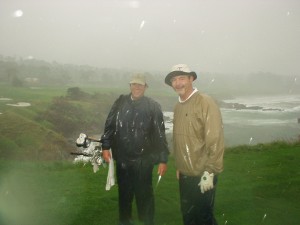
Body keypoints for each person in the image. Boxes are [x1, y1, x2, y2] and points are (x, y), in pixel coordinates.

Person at [100, 73, 169, 225]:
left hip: (144, 161)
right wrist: (105, 146)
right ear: (130, 86)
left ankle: (147, 222)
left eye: (140, 85)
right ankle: (125, 222)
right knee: (124, 194)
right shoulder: (120, 103)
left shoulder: (153, 106)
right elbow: (109, 126)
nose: (137, 87)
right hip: (123, 159)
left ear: (145, 87)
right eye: (134, 84)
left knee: (144, 195)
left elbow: (159, 134)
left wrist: (163, 159)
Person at [165, 64, 224, 225]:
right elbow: (180, 139)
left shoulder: (205, 102)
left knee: (204, 218)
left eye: (182, 78)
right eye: (174, 80)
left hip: (203, 173)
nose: (178, 83)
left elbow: (215, 139)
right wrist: (180, 166)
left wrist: (210, 172)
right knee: (188, 216)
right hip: (185, 174)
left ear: (191, 78)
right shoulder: (178, 106)